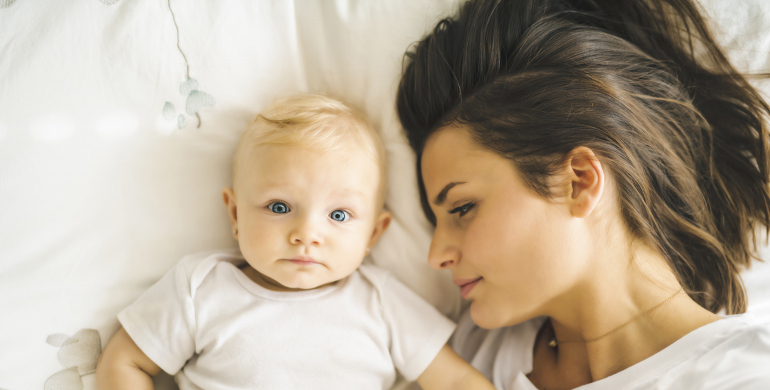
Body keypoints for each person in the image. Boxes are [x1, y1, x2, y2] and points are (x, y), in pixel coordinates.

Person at [397, 0, 770, 389]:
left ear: (579, 181)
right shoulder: (454, 356)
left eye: (463, 207)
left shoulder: (744, 374)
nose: (436, 255)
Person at [95, 94, 495, 390]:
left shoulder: (382, 303)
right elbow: (125, 361)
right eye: (280, 206)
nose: (306, 233)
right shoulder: (200, 288)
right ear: (235, 214)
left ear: (372, 233)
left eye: (339, 215)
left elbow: (457, 380)